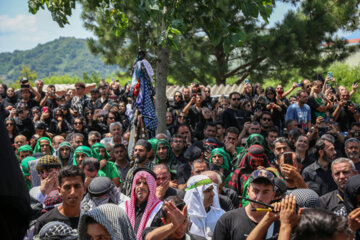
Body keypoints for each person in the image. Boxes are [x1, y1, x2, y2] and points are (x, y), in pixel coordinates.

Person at [213, 170, 278, 240]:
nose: (259, 198)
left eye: (265, 192)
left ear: (273, 195)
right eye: (256, 191)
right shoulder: (228, 219)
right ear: (248, 191)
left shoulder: (279, 222)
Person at [33, 165, 86, 234]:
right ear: (59, 191)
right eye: (67, 187)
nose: (73, 192)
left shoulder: (90, 220)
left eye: (77, 186)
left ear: (84, 189)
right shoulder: (45, 222)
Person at [119, 168, 163, 240]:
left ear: (151, 187)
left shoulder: (160, 208)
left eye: (145, 183)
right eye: (138, 183)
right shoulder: (123, 207)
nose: (141, 186)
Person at [184, 175, 225, 239]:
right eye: (208, 191)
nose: (213, 194)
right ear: (196, 194)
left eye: (212, 190)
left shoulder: (220, 215)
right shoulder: (185, 218)